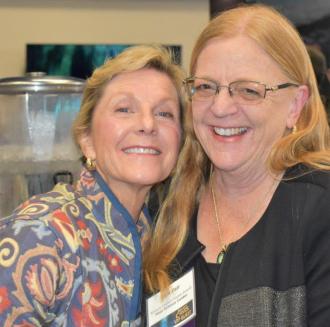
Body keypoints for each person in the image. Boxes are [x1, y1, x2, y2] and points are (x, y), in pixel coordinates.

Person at [144, 4, 330, 326]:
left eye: (248, 90)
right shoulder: (167, 205)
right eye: (205, 87)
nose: (220, 107)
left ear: (295, 106)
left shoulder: (319, 209)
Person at [0, 44, 185, 326]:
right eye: (124, 109)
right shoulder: (40, 234)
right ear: (86, 139)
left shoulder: (164, 241)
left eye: (164, 114)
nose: (148, 124)